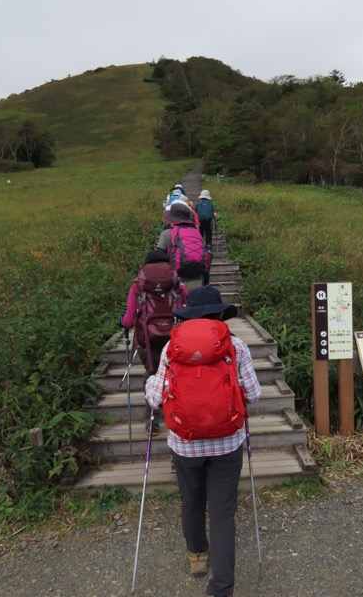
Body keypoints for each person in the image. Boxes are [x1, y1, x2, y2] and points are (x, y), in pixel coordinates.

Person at [145, 287, 260, 597]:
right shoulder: (236, 346)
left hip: (184, 443)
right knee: (222, 513)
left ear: (187, 316)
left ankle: (197, 556)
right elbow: (254, 393)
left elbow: (155, 398)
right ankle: (222, 587)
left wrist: (149, 384)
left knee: (192, 501)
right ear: (220, 314)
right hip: (227, 441)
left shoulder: (172, 348)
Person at [120, 249, 188, 433]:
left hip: (147, 343)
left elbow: (128, 320)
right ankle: (180, 416)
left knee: (151, 374)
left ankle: (152, 421)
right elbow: (189, 309)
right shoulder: (177, 285)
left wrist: (122, 322)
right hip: (175, 341)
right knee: (177, 375)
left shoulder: (138, 287)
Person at [157, 200, 210, 290]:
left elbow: (159, 256)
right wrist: (206, 280)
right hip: (198, 277)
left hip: (176, 278)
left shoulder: (166, 233)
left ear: (171, 218)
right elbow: (206, 254)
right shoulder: (196, 233)